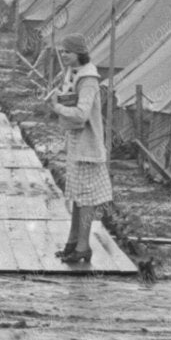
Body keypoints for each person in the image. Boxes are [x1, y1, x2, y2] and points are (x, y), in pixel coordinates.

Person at [50, 34, 112, 267]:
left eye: (68, 52)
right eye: (62, 51)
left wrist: (58, 108)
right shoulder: (73, 73)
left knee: (86, 198)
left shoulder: (88, 80)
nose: (63, 55)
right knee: (76, 195)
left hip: (88, 147)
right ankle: (73, 242)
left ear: (79, 53)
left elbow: (82, 114)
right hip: (76, 144)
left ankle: (83, 247)